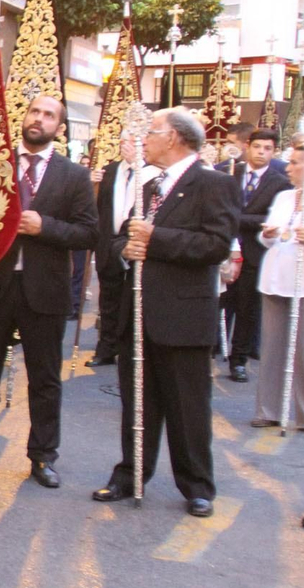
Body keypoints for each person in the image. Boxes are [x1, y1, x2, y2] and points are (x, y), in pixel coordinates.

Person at [0, 97, 97, 487]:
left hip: (44, 290)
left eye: (49, 116)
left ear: (59, 128)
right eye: (34, 112)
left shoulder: (74, 176)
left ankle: (43, 456)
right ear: (22, 118)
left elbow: (88, 232)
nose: (39, 120)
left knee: (45, 378)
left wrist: (45, 226)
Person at [94, 109, 238, 517]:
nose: (145, 140)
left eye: (152, 133)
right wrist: (126, 249)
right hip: (138, 311)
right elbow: (123, 236)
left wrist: (157, 239)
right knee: (137, 403)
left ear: (174, 137)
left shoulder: (213, 184)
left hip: (183, 316)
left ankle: (197, 484)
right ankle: (130, 474)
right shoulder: (148, 185)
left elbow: (215, 245)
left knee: (187, 405)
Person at [251, 145, 304, 435]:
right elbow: (269, 237)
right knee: (273, 347)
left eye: (295, 163)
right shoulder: (285, 197)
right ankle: (269, 410)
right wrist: (268, 234)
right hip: (278, 277)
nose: (287, 168)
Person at [221, 130, 290, 382]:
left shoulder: (279, 182)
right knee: (219, 301)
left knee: (247, 308)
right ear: (247, 147)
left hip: (255, 252)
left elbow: (270, 220)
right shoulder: (228, 172)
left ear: (274, 151)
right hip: (223, 249)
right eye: (257, 146)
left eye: (268, 148)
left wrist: (236, 220)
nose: (261, 152)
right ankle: (215, 346)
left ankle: (238, 359)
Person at [86, 134, 143, 368]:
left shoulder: (149, 171)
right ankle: (106, 347)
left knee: (133, 300)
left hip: (136, 242)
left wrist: (140, 166)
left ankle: (131, 348)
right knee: (108, 299)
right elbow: (93, 207)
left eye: (134, 141)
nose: (128, 146)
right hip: (109, 242)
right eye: (125, 141)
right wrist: (92, 185)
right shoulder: (109, 171)